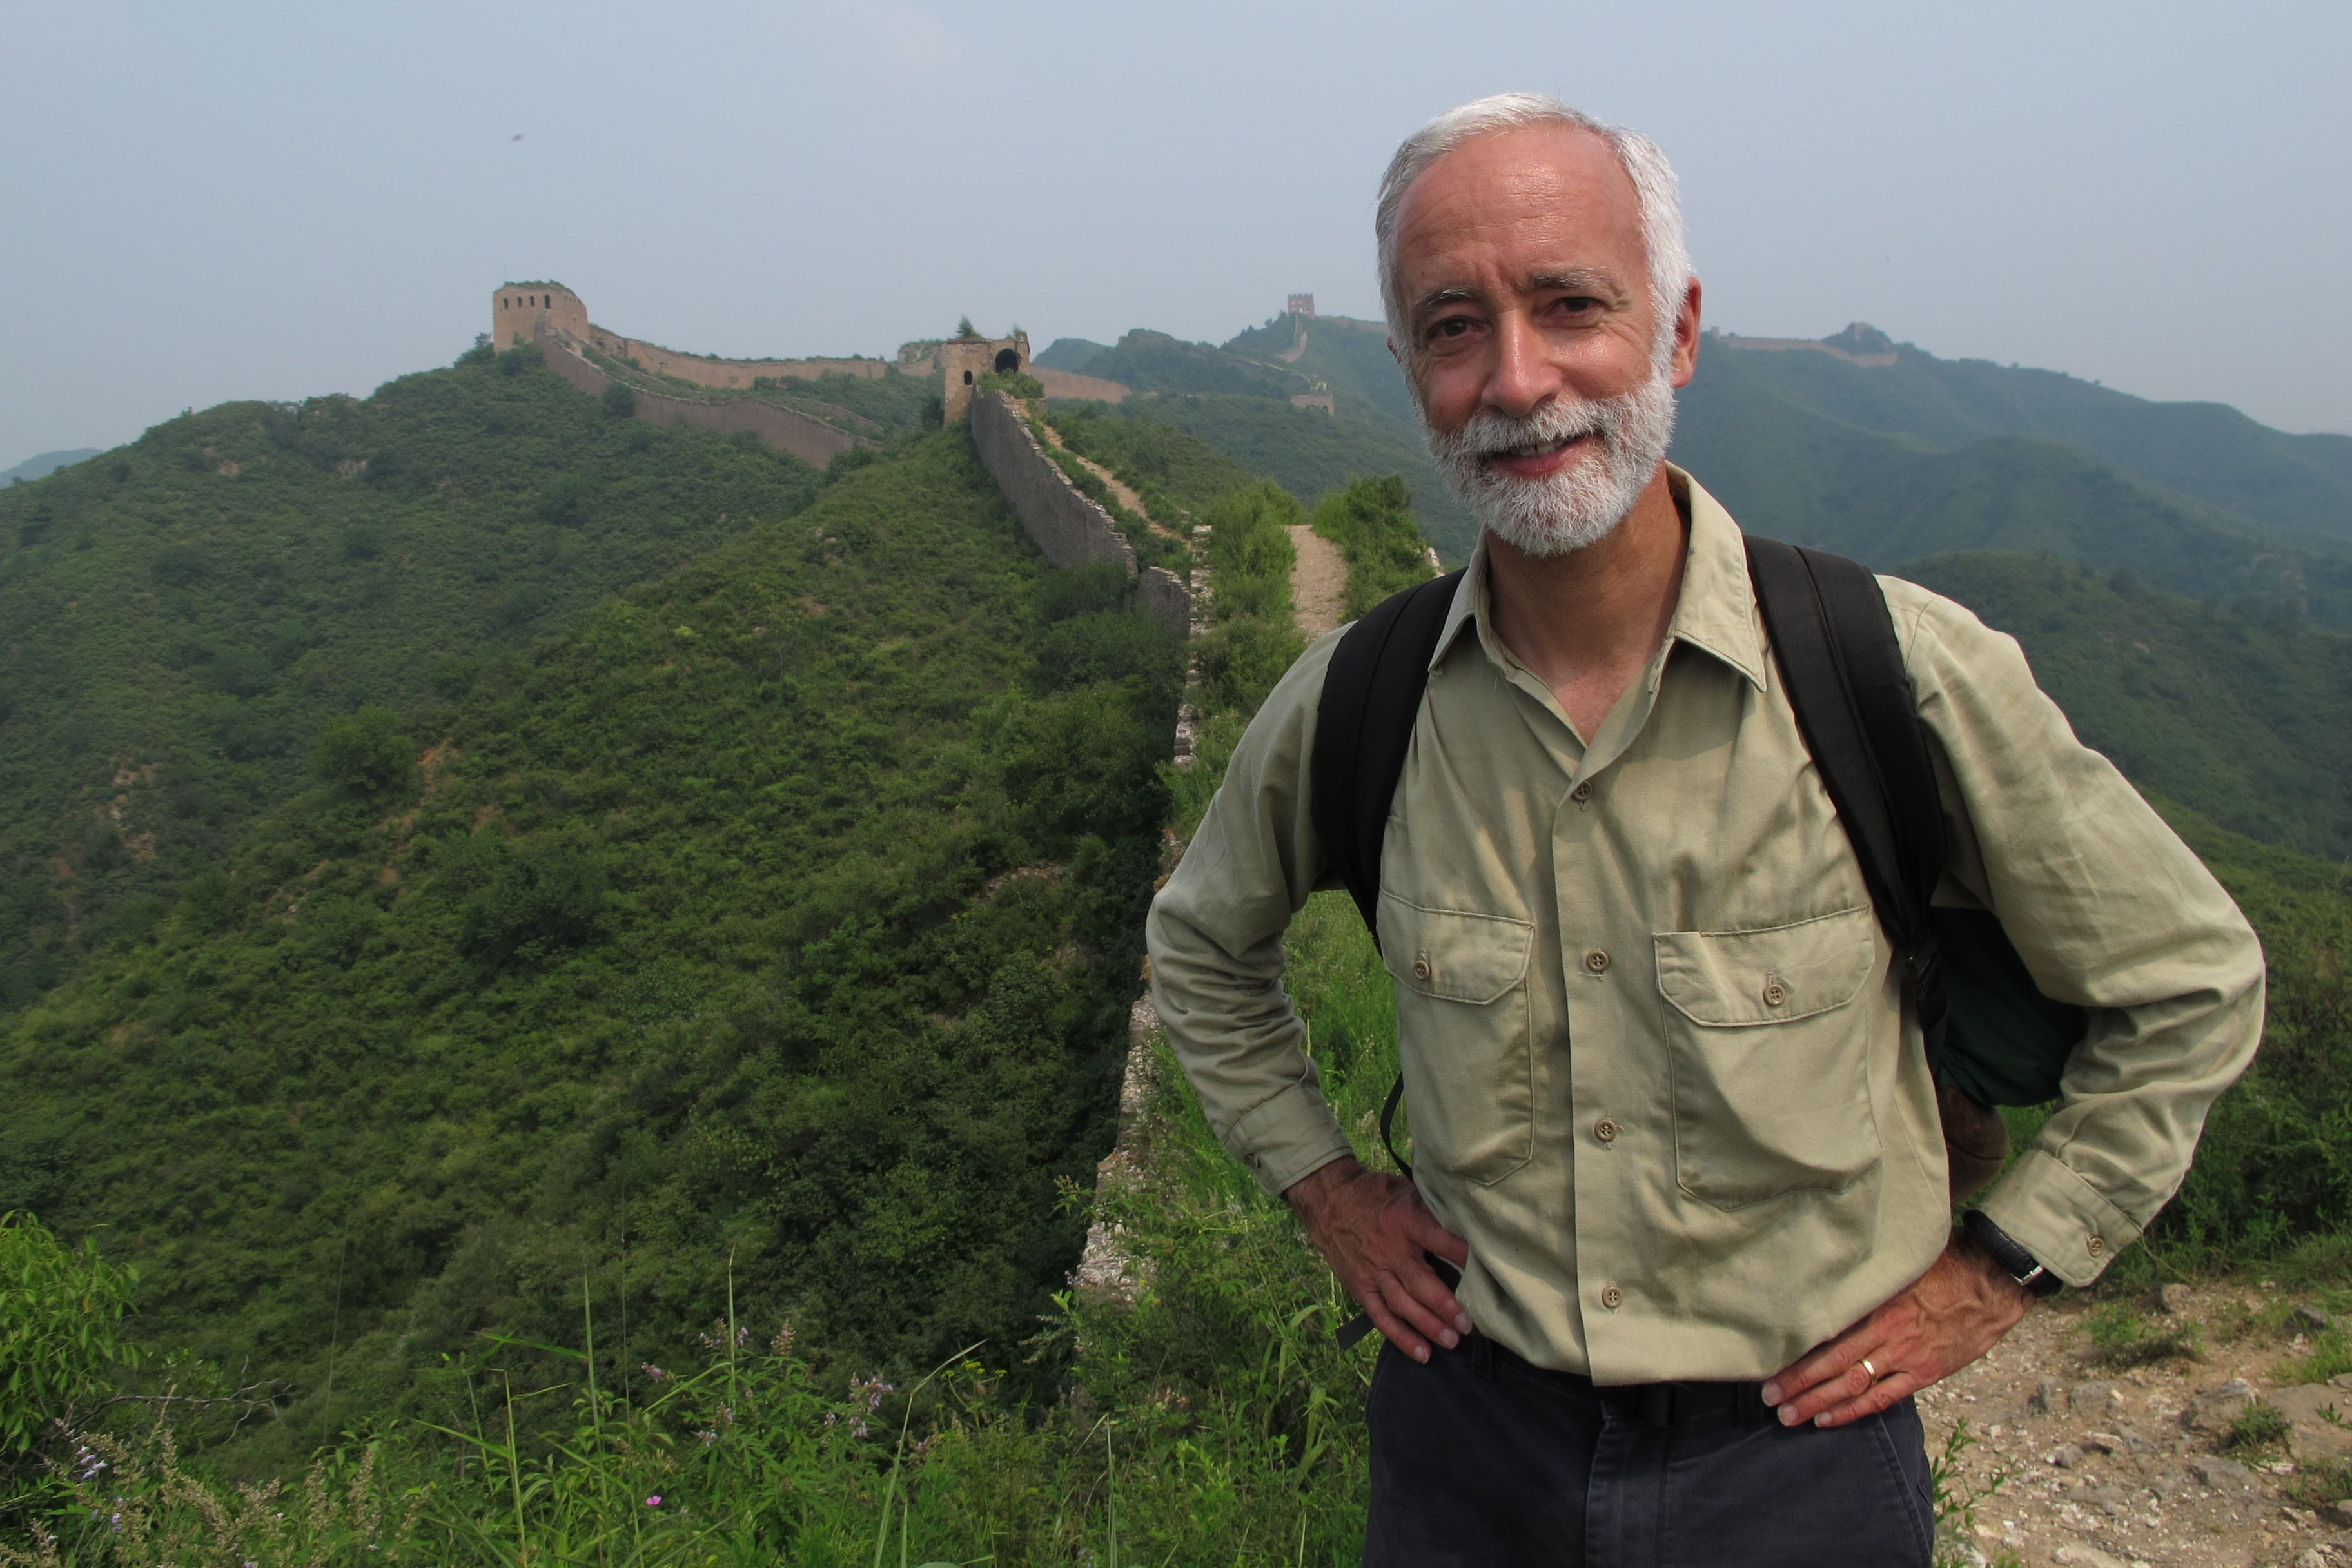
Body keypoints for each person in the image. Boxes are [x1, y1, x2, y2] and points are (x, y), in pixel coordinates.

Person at [1144, 93, 2262, 1566]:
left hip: (1797, 1462)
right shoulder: (1364, 702)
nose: (1517, 379)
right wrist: (1329, 1190)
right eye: (1454, 328)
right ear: (1410, 375)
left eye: (1570, 305)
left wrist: (2005, 1266)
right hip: (1465, 1443)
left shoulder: (1890, 673)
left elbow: (2190, 981)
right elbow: (1200, 948)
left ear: (1675, 331)